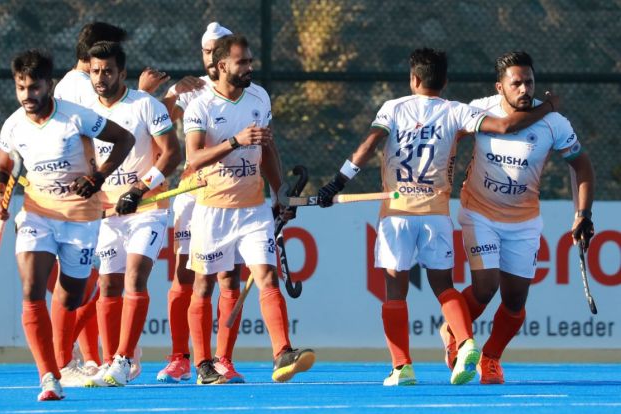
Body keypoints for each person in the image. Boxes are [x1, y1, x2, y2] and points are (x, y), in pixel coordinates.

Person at [317, 48, 557, 386]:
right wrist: (546, 108)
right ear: (444, 81)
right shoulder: (457, 111)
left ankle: (402, 368)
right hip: (436, 215)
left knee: (394, 292)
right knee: (444, 287)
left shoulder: (393, 108)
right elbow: (504, 126)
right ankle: (466, 341)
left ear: (413, 79)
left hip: (396, 214)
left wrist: (336, 183)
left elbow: (368, 146)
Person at [439, 51, 595, 384]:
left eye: (529, 82)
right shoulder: (481, 109)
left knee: (515, 299)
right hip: (479, 211)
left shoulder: (555, 124)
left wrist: (582, 213)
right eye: (517, 83)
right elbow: (447, 137)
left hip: (523, 221)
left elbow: (581, 166)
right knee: (486, 287)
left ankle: (490, 358)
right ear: (500, 87)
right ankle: (455, 332)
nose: (524, 89)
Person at [0, 49, 134, 401]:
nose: (27, 95)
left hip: (80, 219)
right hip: (37, 215)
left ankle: (88, 290)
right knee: (31, 290)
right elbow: (3, 167)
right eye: (21, 88)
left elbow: (125, 139)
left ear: (49, 86)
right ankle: (48, 377)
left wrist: (99, 176)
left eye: (34, 87)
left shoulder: (76, 117)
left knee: (71, 299)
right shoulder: (13, 125)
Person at [183, 34, 315, 384]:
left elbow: (267, 149)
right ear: (222, 65)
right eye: (243, 62)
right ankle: (204, 364)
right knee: (207, 285)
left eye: (251, 61)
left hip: (253, 208)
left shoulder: (259, 96)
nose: (250, 67)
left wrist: (280, 193)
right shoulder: (200, 106)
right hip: (213, 210)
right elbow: (194, 159)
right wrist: (234, 141)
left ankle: (282, 353)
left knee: (267, 276)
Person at [53, 21, 160, 380]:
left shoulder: (90, 87)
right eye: (101, 62)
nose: (104, 73)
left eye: (110, 65)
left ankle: (100, 358)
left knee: (99, 283)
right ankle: (72, 360)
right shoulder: (76, 88)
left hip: (106, 199)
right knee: (82, 285)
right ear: (91, 56)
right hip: (87, 202)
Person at [80, 41, 181, 387]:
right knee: (108, 284)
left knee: (135, 278)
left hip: (147, 209)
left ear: (123, 73)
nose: (101, 77)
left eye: (108, 70)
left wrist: (139, 189)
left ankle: (123, 360)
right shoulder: (83, 110)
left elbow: (171, 154)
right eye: (95, 71)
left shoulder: (146, 105)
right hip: (106, 212)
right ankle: (109, 359)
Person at [157, 22, 250, 384]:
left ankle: (224, 359)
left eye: (217, 51)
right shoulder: (189, 89)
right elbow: (155, 126)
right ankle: (180, 356)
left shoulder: (246, 90)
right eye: (206, 51)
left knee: (230, 278)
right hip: (194, 195)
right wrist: (166, 97)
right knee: (183, 276)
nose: (211, 57)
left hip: (233, 194)